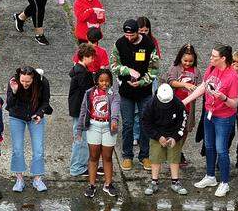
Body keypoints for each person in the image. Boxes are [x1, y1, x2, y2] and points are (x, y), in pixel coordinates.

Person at [180, 45, 238, 197]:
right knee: (208, 145)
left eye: (214, 56)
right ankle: (210, 176)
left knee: (221, 149)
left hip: (224, 117)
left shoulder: (233, 77)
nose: (210, 58)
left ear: (223, 59)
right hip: (209, 113)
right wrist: (184, 101)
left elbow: (234, 104)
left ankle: (225, 182)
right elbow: (203, 86)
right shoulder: (211, 68)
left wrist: (224, 98)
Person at [111, 18, 159, 171]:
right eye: (126, 35)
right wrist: (127, 70)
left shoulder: (149, 45)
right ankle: (127, 156)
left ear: (138, 32)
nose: (129, 38)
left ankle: (144, 156)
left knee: (145, 124)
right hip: (126, 92)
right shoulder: (119, 44)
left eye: (132, 35)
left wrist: (142, 81)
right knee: (127, 124)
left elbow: (154, 70)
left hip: (144, 92)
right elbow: (114, 65)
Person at [6, 66, 51, 192]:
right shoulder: (13, 82)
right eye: (23, 81)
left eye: (28, 81)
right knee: (17, 149)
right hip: (16, 116)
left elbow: (46, 102)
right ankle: (19, 179)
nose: (25, 84)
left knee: (38, 149)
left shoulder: (42, 82)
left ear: (33, 78)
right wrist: (14, 91)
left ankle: (37, 179)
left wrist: (40, 114)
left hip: (34, 116)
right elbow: (9, 104)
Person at [78, 68, 119, 198]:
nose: (104, 83)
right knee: (93, 156)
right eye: (101, 81)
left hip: (108, 127)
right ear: (96, 81)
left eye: (107, 81)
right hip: (93, 126)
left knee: (107, 157)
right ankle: (92, 185)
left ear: (111, 81)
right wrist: (79, 129)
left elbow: (115, 108)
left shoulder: (114, 94)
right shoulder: (89, 93)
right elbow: (83, 111)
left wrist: (114, 120)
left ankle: (108, 184)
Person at [141, 83, 188, 195]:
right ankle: (154, 181)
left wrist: (175, 138)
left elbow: (183, 122)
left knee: (174, 157)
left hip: (173, 132)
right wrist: (157, 136)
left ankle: (175, 182)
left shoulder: (179, 104)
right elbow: (146, 123)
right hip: (157, 133)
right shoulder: (150, 105)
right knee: (155, 157)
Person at [68, 43, 96, 177]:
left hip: (76, 109)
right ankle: (77, 167)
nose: (93, 60)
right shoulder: (83, 74)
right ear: (85, 57)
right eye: (91, 57)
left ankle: (79, 165)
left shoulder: (76, 71)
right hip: (81, 111)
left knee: (80, 138)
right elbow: (88, 92)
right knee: (81, 139)